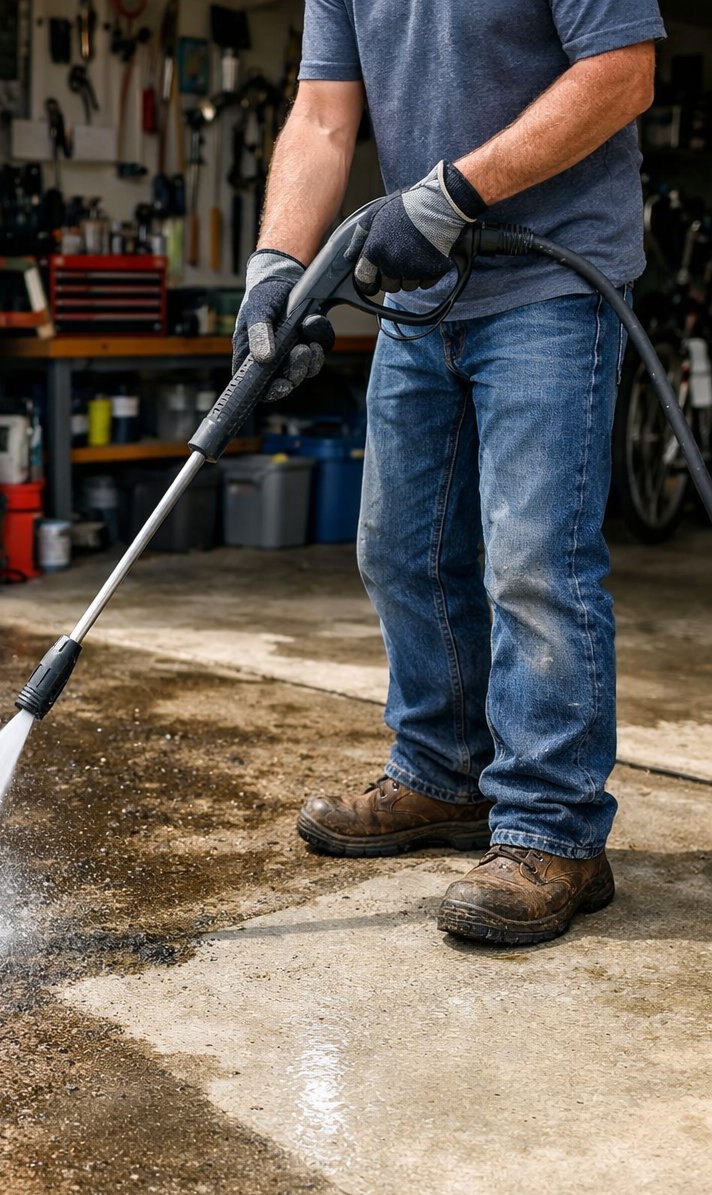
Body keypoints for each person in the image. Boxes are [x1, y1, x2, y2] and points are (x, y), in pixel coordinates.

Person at [233, 0, 666, 946]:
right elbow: (321, 117)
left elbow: (623, 71)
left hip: (554, 283)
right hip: (423, 294)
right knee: (401, 547)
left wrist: (447, 194)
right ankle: (445, 774)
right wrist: (276, 269)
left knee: (532, 560)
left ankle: (553, 831)